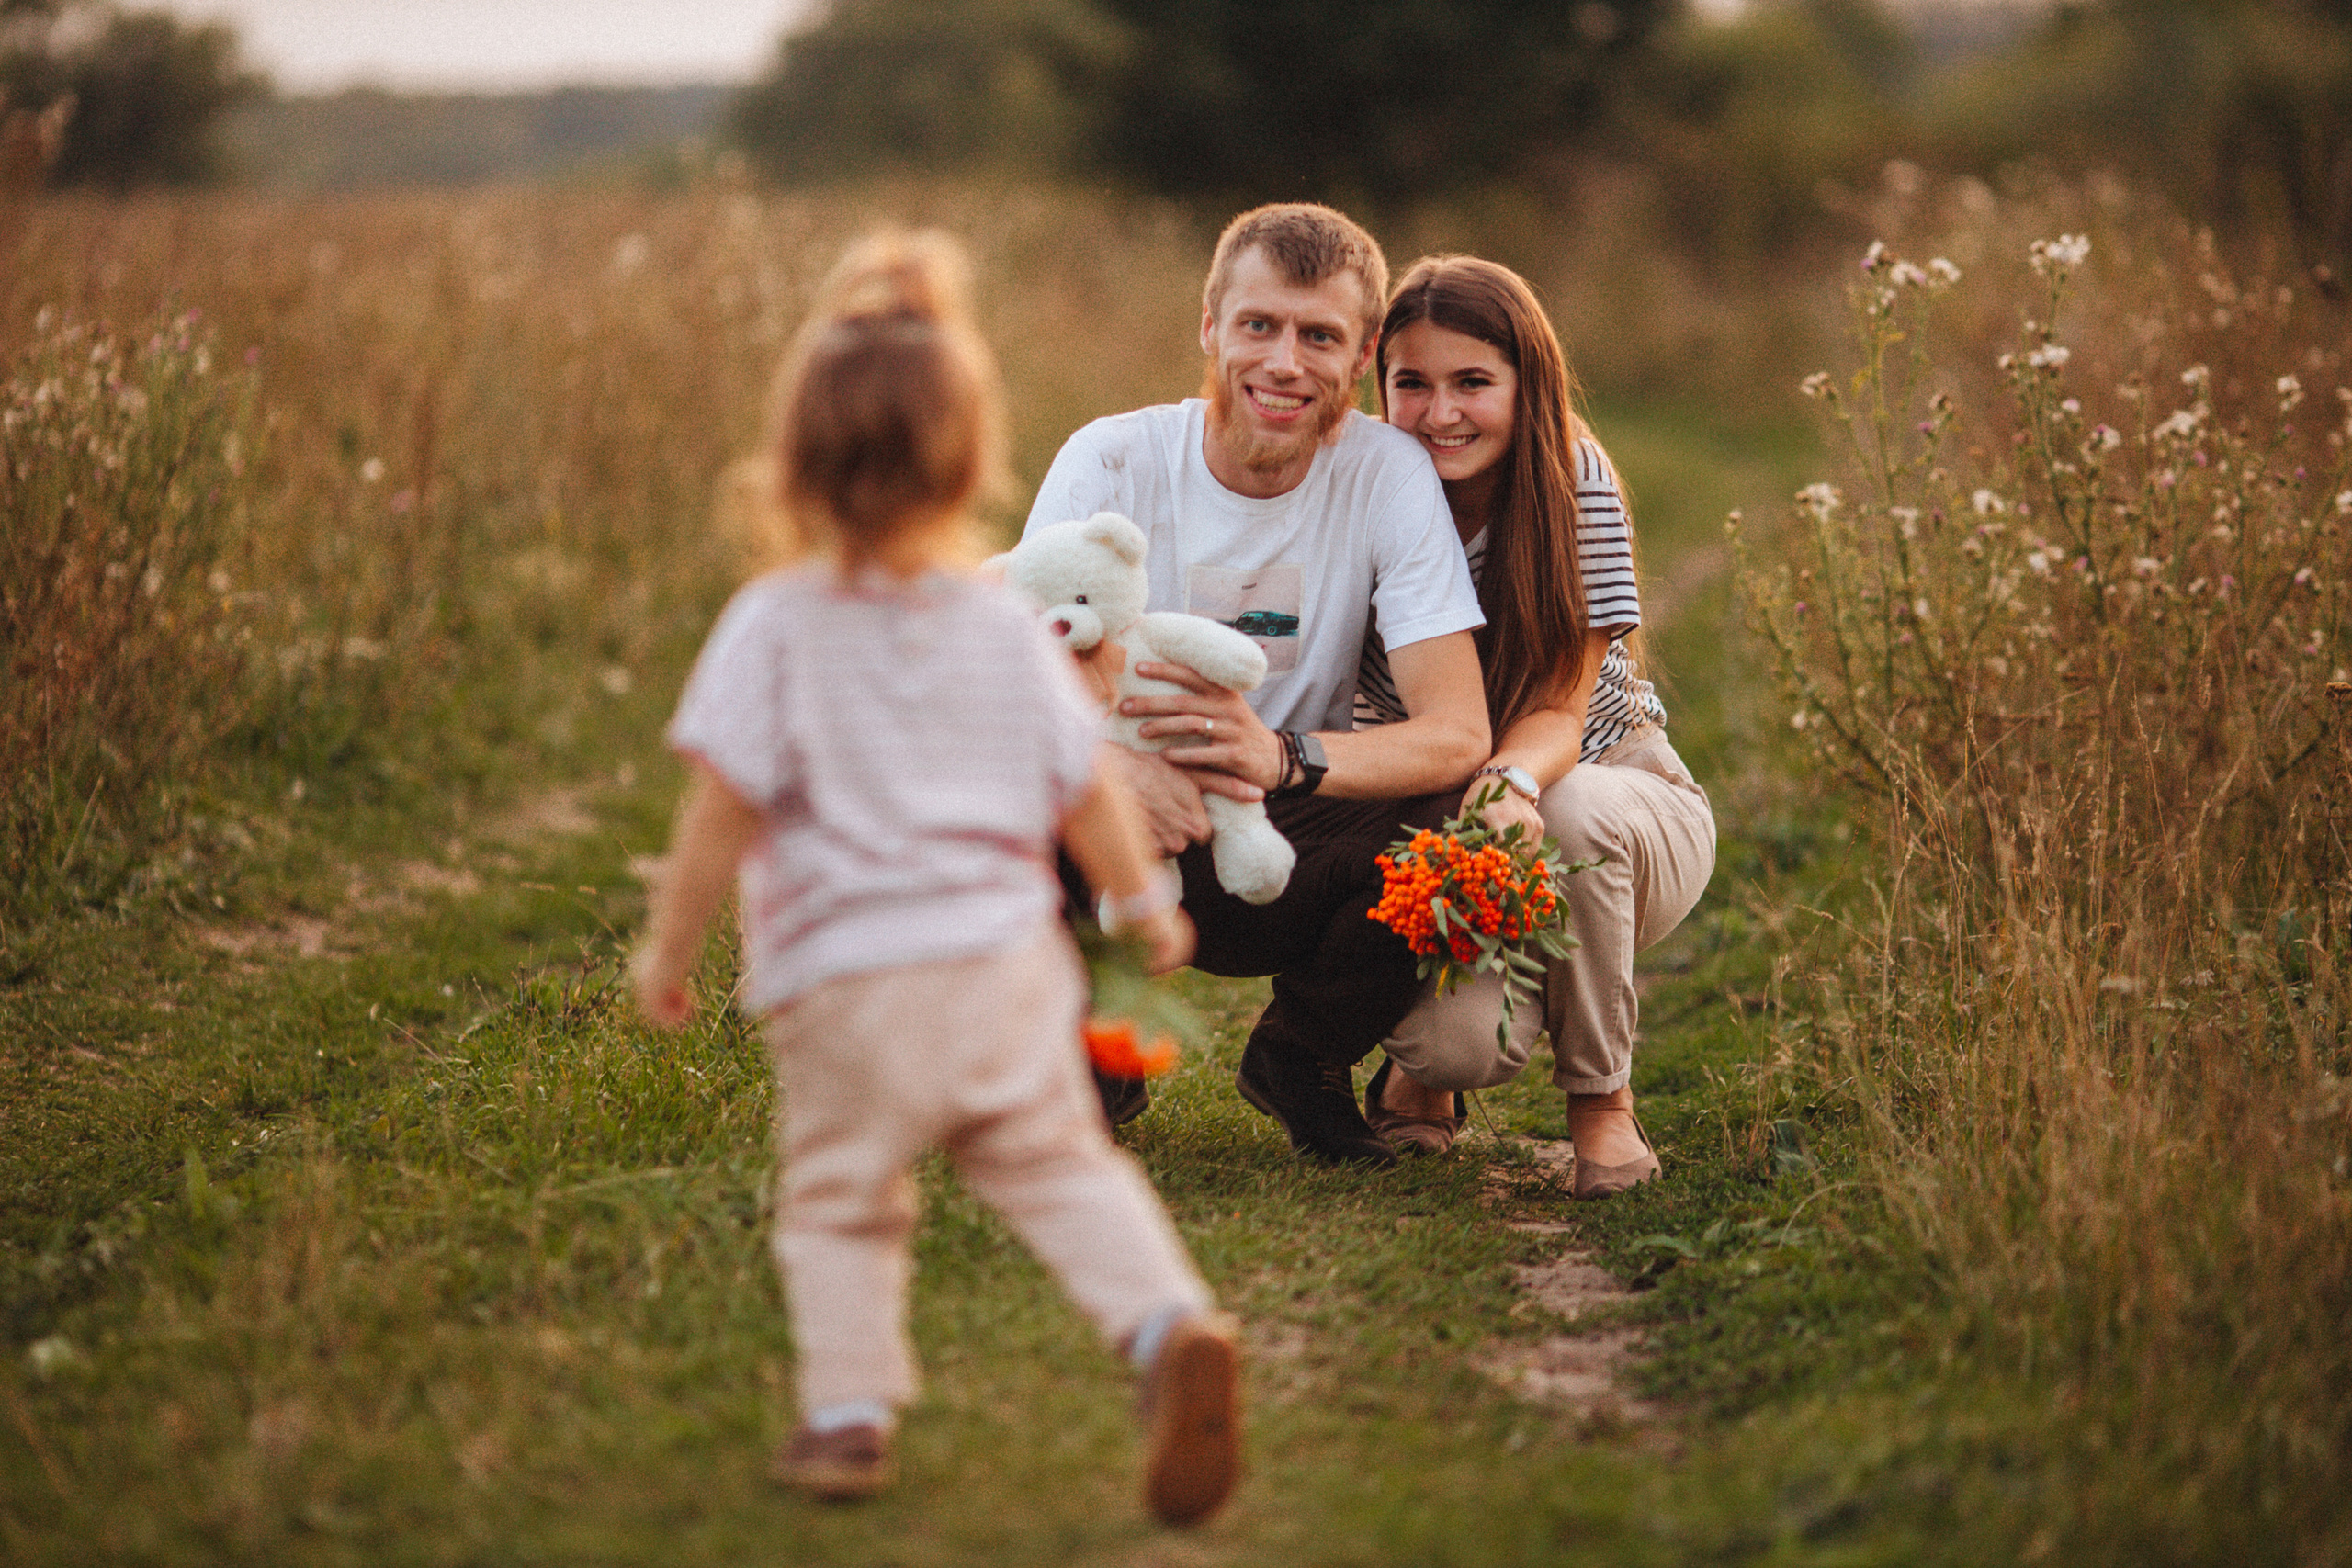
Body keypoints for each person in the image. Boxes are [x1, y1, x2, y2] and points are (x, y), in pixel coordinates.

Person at [630, 230, 1242, 1525]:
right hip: (1004, 967)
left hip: (846, 979)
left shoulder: (775, 623)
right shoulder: (1002, 623)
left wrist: (668, 952)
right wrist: (1143, 904)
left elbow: (719, 812)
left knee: (843, 1198)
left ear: (793, 462)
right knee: (1058, 1164)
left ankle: (848, 1414)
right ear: (969, 462)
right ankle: (1165, 1325)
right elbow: (1084, 783)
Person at [1023, 203, 1491, 1167]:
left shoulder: (1388, 474)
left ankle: (1302, 1055)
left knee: (1459, 832)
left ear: (1361, 357)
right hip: (1112, 831)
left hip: (1280, 830)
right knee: (1000, 786)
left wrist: (1281, 758)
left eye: (1318, 336)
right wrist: (1112, 774)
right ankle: (1090, 1045)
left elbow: (1456, 729)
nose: (1284, 362)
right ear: (1210, 327)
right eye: (1259, 325)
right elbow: (1006, 683)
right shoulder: (1110, 459)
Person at [1355, 254, 1716, 1197]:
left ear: (1528, 383)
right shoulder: (1358, 490)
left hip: (1614, 793)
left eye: (1473, 382)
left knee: (1569, 807)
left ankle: (1602, 1102)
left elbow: (1560, 705)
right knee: (1457, 1043)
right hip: (1451, 823)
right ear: (1378, 383)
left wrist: (1507, 781)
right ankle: (1419, 1075)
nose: (1440, 413)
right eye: (1412, 383)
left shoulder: (1570, 478)